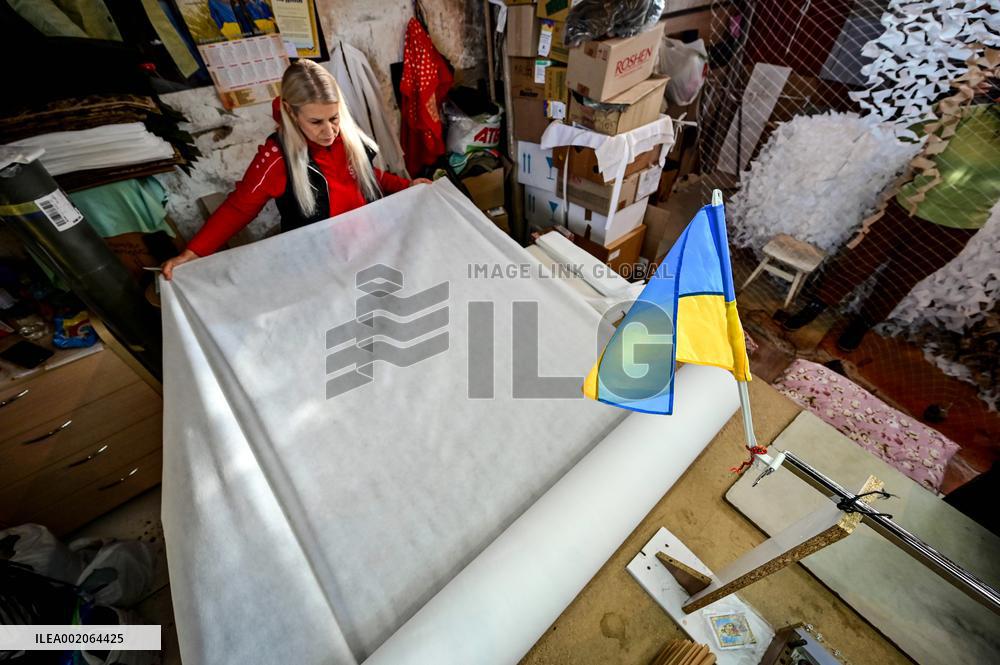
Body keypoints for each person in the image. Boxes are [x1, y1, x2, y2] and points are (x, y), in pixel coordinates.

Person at [163, 60, 429, 279]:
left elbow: (368, 177)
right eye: (315, 122)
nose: (328, 131)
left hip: (370, 244)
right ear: (291, 112)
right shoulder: (277, 158)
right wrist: (193, 253)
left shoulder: (346, 135)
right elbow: (239, 207)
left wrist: (408, 186)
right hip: (320, 262)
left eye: (333, 118)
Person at [782, 101, 1000, 350]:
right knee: (860, 259)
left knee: (900, 279)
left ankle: (861, 326)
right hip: (907, 207)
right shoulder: (970, 113)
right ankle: (816, 306)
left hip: (956, 227)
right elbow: (916, 132)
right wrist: (944, 106)